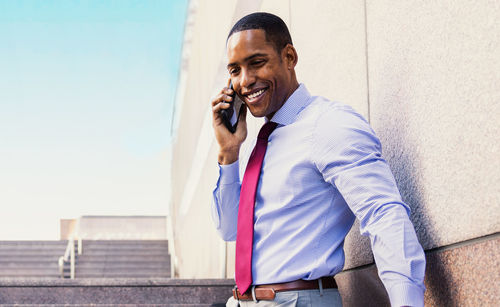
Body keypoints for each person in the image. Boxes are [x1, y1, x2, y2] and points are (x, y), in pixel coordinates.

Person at [210, 12, 426, 307]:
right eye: (235, 70)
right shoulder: (252, 141)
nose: (245, 81)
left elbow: (383, 214)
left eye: (256, 63)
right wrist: (228, 153)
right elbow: (229, 230)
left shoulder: (329, 124)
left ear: (289, 57)